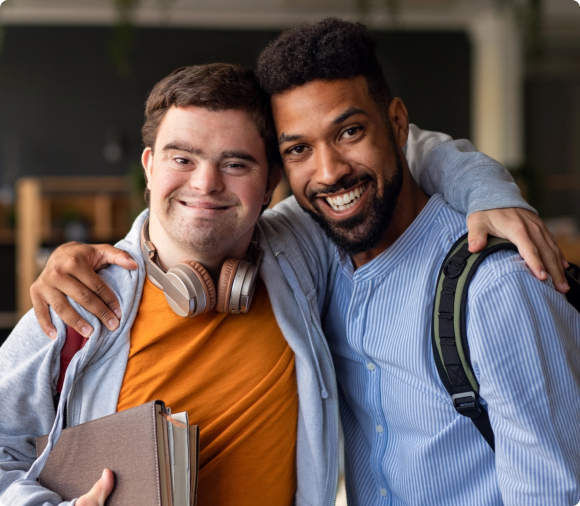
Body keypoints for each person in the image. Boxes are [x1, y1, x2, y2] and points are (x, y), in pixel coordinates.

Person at [10, 22, 575, 506]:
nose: (205, 184)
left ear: (269, 184)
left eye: (236, 163)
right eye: (183, 158)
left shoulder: (297, 256)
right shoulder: (80, 294)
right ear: (150, 167)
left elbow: (414, 150)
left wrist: (492, 193)